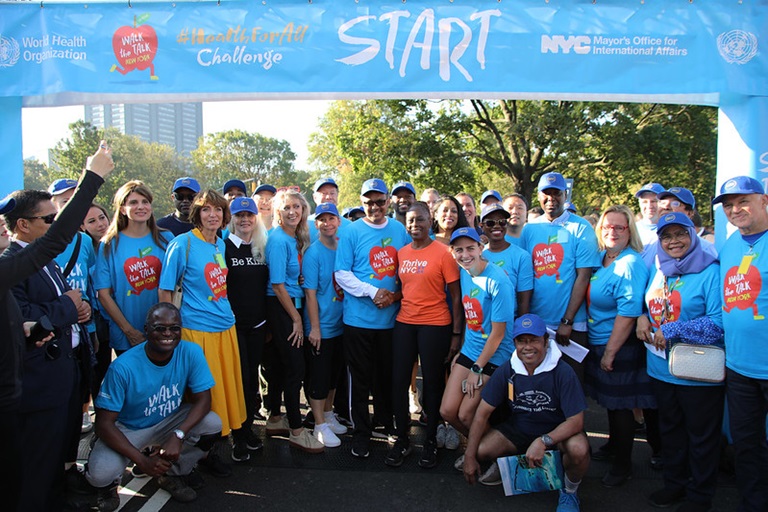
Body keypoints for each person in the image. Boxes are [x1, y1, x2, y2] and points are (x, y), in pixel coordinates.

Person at [0, 142, 112, 512]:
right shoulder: (13, 263)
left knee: (52, 462)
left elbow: (43, 311)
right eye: (48, 218)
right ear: (23, 225)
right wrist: (67, 306)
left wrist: (72, 309)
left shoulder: (36, 263)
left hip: (62, 376)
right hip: (34, 386)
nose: (54, 224)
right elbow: (31, 310)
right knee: (33, 468)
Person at [85, 303, 223, 510]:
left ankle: (173, 473)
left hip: (168, 421)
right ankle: (109, 486)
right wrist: (141, 461)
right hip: (130, 428)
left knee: (212, 424)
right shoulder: (123, 367)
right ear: (146, 329)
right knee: (99, 474)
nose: (168, 333)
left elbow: (204, 400)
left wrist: (178, 435)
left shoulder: (190, 352)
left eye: (174, 328)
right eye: (160, 328)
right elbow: (104, 424)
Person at [636, 212, 723, 512]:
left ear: (693, 234)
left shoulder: (710, 272)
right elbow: (647, 304)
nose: (674, 242)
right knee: (670, 432)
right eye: (666, 236)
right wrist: (641, 318)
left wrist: (671, 330)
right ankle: (674, 485)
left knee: (700, 436)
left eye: (680, 234)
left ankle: (700, 495)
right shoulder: (658, 268)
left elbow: (718, 323)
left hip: (696, 372)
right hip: (661, 369)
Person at [462, 313, 590, 512]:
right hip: (520, 430)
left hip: (556, 432)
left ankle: (569, 492)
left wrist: (543, 441)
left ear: (546, 341)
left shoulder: (563, 371)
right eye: (522, 341)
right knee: (481, 450)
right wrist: (469, 456)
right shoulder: (508, 369)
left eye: (534, 340)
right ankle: (521, 464)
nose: (527, 347)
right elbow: (481, 413)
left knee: (579, 450)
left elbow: (576, 421)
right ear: (514, 343)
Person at [159, 189, 246, 476]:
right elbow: (165, 289)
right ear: (196, 214)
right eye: (206, 210)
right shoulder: (182, 244)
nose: (213, 215)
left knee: (222, 396)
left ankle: (209, 453)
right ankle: (186, 462)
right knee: (201, 399)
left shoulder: (219, 244)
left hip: (225, 328)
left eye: (218, 210)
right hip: (197, 332)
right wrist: (168, 335)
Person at [334, 178, 410, 458]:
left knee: (386, 377)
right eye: (369, 202)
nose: (375, 207)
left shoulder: (399, 230)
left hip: (391, 320)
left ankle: (386, 422)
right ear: (362, 202)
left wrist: (394, 296)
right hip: (358, 320)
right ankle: (361, 432)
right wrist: (373, 291)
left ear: (388, 202)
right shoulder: (351, 231)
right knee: (360, 379)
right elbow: (342, 273)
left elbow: (407, 268)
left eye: (380, 201)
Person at [386, 201, 462, 468]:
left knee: (432, 382)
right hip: (405, 322)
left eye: (420, 220)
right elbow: (406, 290)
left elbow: (455, 297)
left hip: (436, 324)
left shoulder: (443, 253)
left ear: (430, 221)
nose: (414, 225)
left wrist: (456, 333)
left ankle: (430, 440)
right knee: (398, 381)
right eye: (410, 221)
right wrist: (390, 296)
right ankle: (402, 438)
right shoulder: (402, 253)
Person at [584, 205, 653, 487]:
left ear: (629, 231)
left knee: (622, 406)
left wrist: (611, 351)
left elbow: (628, 313)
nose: (612, 232)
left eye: (619, 227)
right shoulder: (603, 258)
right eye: (607, 227)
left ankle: (623, 465)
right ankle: (613, 447)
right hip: (599, 340)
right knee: (611, 405)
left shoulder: (630, 263)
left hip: (619, 345)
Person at [712, 176, 768, 512]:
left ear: (764, 200)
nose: (735, 210)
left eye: (742, 201)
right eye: (729, 205)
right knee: (747, 444)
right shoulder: (731, 245)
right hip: (739, 367)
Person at [439, 227, 515, 467]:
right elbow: (474, 321)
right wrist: (461, 351)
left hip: (494, 355)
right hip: (470, 350)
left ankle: (491, 455)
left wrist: (476, 369)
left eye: (470, 248)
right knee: (448, 412)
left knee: (466, 414)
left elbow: (498, 334)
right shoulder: (464, 272)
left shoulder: (498, 280)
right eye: (459, 250)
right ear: (452, 252)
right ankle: (481, 447)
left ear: (481, 248)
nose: (465, 254)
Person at [519, 172, 601, 381]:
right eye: (546, 193)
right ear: (538, 195)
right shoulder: (529, 229)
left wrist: (567, 320)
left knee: (571, 383)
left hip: (571, 325)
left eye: (557, 193)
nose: (551, 198)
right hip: (538, 324)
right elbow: (525, 275)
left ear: (565, 195)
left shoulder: (581, 228)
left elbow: (583, 276)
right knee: (540, 383)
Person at [264, 189, 324, 453]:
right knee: (295, 369)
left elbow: (290, 276)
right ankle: (297, 432)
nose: (293, 212)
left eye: (297, 207)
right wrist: (296, 319)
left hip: (291, 305)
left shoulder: (295, 237)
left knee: (281, 366)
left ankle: (275, 418)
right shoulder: (278, 239)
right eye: (287, 207)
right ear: (278, 211)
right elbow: (277, 285)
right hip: (282, 308)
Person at [95, 181, 172, 356]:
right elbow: (103, 295)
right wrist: (128, 330)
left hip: (163, 331)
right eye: (133, 202)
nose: (141, 207)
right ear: (122, 209)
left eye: (145, 202)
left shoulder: (166, 239)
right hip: (125, 334)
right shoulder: (109, 245)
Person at [49, 178, 99, 434]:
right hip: (56, 326)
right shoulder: (44, 242)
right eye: (65, 202)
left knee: (86, 374)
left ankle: (82, 413)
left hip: (85, 323)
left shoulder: (85, 241)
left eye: (75, 202)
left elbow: (90, 280)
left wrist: (89, 307)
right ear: (53, 205)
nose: (71, 208)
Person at [224, 197, 269, 461]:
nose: (244, 220)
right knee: (239, 379)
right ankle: (237, 434)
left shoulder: (262, 246)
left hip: (259, 324)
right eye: (239, 215)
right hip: (233, 326)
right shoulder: (224, 246)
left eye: (249, 215)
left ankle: (248, 428)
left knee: (252, 379)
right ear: (231, 219)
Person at [303, 203, 349, 448]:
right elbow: (310, 294)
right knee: (319, 377)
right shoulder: (314, 253)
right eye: (322, 219)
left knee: (334, 374)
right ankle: (319, 423)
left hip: (342, 322)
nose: (327, 223)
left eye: (331, 218)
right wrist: (315, 328)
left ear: (338, 221)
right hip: (321, 325)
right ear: (316, 223)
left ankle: (329, 414)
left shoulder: (342, 247)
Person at [480, 203, 533, 317]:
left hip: (509, 322)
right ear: (481, 226)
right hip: (482, 323)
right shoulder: (478, 256)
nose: (497, 226)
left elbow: (523, 302)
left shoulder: (522, 256)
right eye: (490, 223)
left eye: (502, 222)